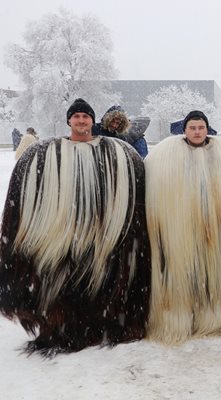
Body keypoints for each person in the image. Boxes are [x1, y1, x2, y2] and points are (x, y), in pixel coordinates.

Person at [0, 98, 150, 355]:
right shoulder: (46, 153)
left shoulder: (118, 152)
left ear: (93, 121)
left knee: (103, 282)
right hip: (64, 235)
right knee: (66, 286)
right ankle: (65, 327)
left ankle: (106, 323)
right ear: (69, 121)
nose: (82, 120)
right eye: (77, 116)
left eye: (86, 116)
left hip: (102, 235)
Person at [145, 110, 221, 344]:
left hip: (214, 229)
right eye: (192, 128)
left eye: (201, 127)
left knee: (214, 275)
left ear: (207, 129)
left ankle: (215, 320)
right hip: (180, 231)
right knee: (180, 276)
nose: (197, 132)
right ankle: (178, 319)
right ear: (184, 130)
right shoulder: (164, 157)